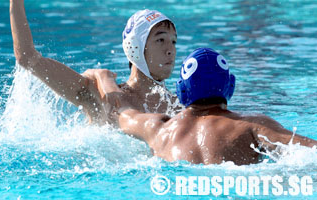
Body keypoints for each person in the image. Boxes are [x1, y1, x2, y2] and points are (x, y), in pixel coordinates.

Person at [0, 0, 179, 124]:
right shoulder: (98, 95)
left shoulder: (179, 108)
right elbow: (28, 59)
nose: (170, 50)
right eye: (160, 40)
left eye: (174, 42)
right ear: (135, 47)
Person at [91, 48, 317, 165]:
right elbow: (309, 151)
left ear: (181, 91)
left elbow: (121, 112)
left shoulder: (158, 128)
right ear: (230, 86)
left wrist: (103, 77)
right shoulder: (252, 126)